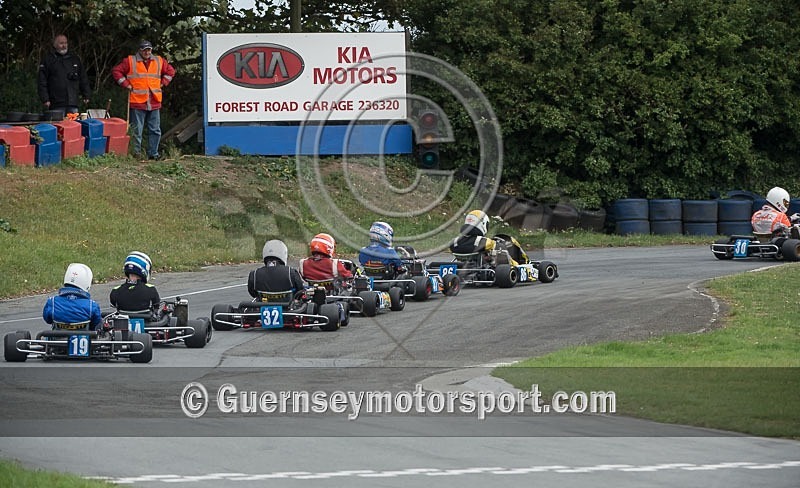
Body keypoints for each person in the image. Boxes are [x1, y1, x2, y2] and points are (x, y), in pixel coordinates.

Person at [111, 40, 176, 160]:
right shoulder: (130, 61)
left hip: (154, 100)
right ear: (139, 50)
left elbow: (171, 71)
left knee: (155, 130)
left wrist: (163, 83)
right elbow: (116, 71)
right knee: (137, 130)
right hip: (137, 101)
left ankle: (153, 154)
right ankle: (136, 154)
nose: (147, 52)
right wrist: (126, 84)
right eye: (144, 50)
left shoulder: (159, 61)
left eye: (149, 50)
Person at [37, 34, 91, 116]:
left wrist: (86, 95)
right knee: (58, 123)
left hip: (73, 102)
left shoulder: (74, 59)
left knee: (74, 123)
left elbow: (83, 78)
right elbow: (42, 81)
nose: (64, 45)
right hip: (56, 102)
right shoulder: (48, 60)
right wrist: (45, 99)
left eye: (65, 43)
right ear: (55, 45)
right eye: (61, 43)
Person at [42, 263, 102, 331]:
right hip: (85, 337)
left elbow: (48, 320)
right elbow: (95, 324)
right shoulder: (92, 306)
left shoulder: (52, 302)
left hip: (58, 337)